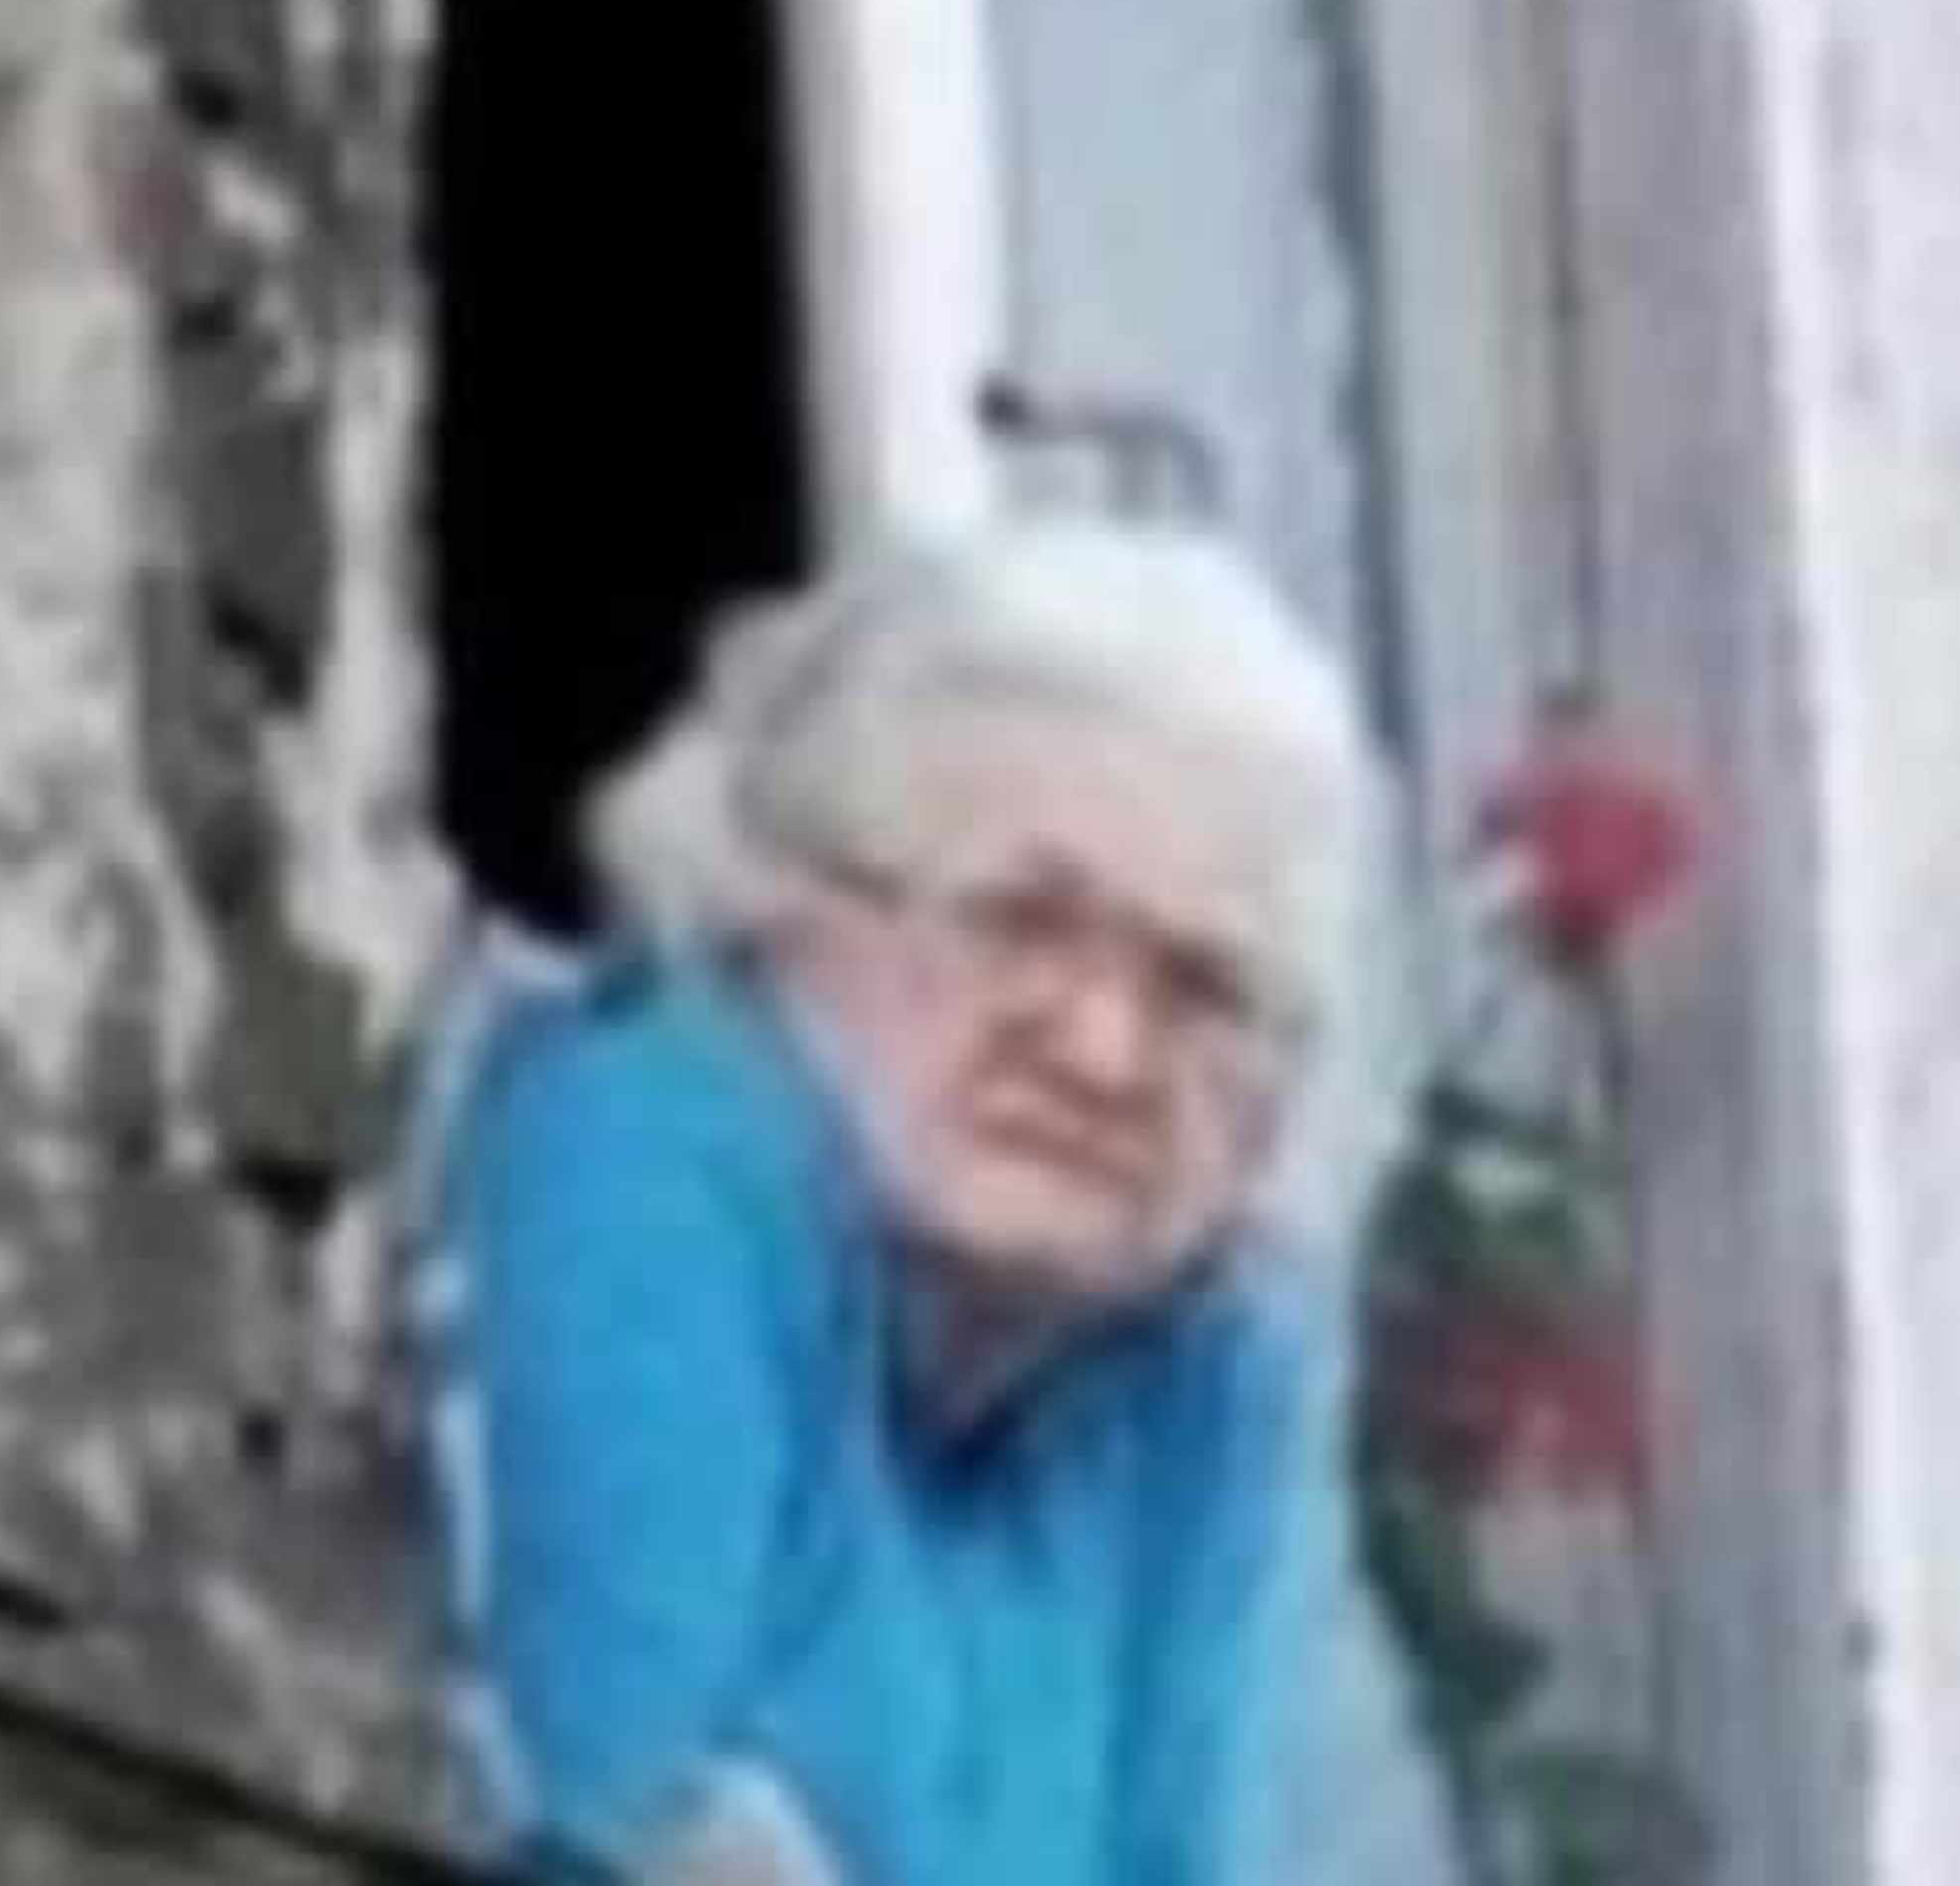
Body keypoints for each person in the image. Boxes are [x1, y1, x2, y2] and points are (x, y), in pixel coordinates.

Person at [411, 518, 1382, 1886]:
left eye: (1206, 989)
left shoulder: (1202, 1373)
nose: (1106, 1053)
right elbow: (612, 1829)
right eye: (1018, 923)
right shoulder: (649, 1145)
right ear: (778, 904)